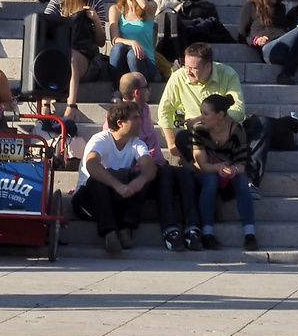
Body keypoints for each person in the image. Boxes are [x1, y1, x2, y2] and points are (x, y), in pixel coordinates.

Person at [156, 42, 271, 195]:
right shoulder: (178, 77)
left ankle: (251, 181)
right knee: (182, 137)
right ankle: (208, 172)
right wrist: (171, 144)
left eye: (194, 69)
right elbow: (164, 111)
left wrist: (204, 119)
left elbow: (238, 111)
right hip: (200, 138)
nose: (188, 72)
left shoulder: (227, 74)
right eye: (186, 66)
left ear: (208, 67)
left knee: (261, 123)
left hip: (227, 133)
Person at [107, 71, 200, 252]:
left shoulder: (145, 110)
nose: (149, 90)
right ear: (136, 92)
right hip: (133, 173)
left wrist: (159, 162)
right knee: (163, 174)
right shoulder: (118, 115)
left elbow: (151, 144)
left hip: (153, 165)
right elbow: (120, 150)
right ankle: (170, 231)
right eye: (146, 87)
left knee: (185, 174)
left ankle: (192, 228)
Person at [74, 100, 156, 255]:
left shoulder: (136, 143)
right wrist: (117, 185)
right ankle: (110, 234)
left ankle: (125, 228)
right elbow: (91, 164)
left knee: (142, 177)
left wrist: (140, 181)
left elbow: (149, 167)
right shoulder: (100, 139)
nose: (141, 122)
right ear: (120, 123)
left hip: (115, 199)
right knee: (96, 181)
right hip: (87, 200)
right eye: (135, 118)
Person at [191, 92, 258, 251]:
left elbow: (242, 165)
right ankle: (207, 233)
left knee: (241, 180)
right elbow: (202, 164)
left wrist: (233, 170)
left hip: (229, 177)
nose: (201, 117)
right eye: (201, 113)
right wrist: (218, 168)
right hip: (206, 174)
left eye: (205, 114)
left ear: (220, 115)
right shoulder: (199, 130)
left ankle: (250, 234)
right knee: (211, 179)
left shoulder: (236, 130)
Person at [43, 0, 108, 118]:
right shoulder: (58, 1)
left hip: (88, 59)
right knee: (46, 52)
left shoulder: (95, 2)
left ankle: (71, 106)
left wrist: (96, 21)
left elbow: (101, 42)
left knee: (70, 55)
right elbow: (44, 25)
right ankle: (45, 104)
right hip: (59, 56)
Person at [107, 0, 159, 84]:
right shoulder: (115, 9)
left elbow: (144, 5)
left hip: (145, 63)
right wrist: (131, 42)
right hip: (123, 63)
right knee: (118, 48)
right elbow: (114, 39)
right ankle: (117, 88)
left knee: (132, 55)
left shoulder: (151, 6)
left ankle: (140, 88)